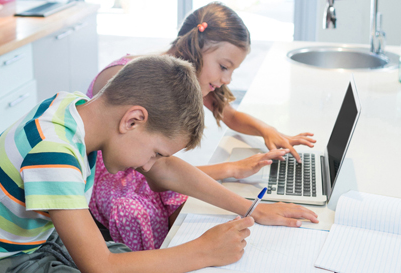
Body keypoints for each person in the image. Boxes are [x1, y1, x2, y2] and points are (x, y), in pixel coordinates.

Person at [0, 55, 260, 273]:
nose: (149, 166)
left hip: (32, 241)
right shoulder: (53, 152)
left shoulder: (76, 107)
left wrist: (250, 208)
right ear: (133, 120)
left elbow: (163, 172)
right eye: (154, 153)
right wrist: (204, 251)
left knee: (141, 268)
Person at [87, 2, 319, 251]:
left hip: (149, 171)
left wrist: (267, 130)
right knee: (145, 216)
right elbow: (157, 169)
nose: (227, 79)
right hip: (117, 181)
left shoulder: (185, 76)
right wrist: (233, 172)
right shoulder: (135, 80)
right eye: (223, 66)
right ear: (197, 48)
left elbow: (229, 114)